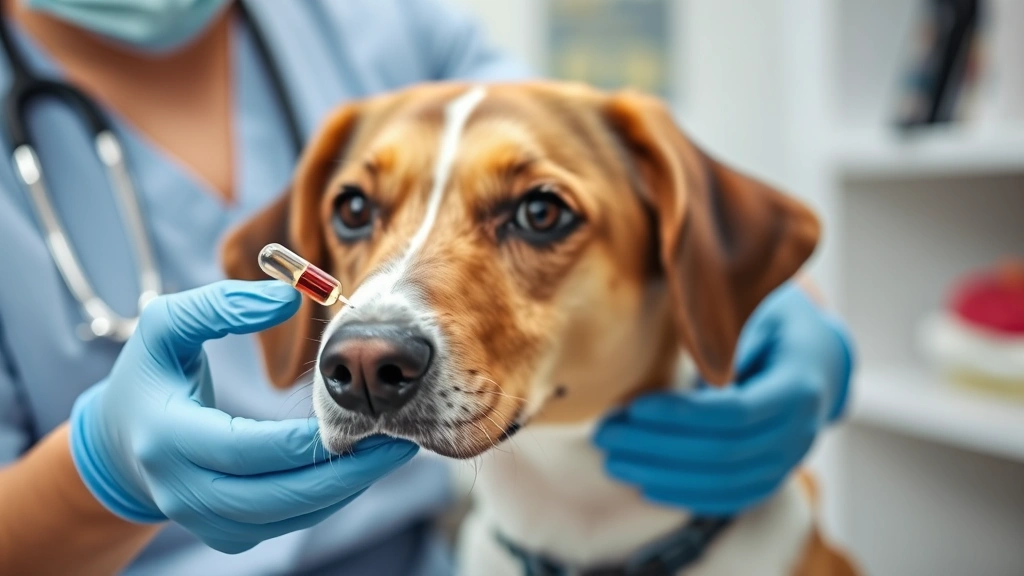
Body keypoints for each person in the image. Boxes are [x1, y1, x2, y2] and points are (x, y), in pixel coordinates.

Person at [0, 1, 854, 575]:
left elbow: (631, 174)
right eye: (359, 208)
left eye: (538, 214)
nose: (372, 346)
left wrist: (776, 315)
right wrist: (97, 476)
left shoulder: (371, 22)